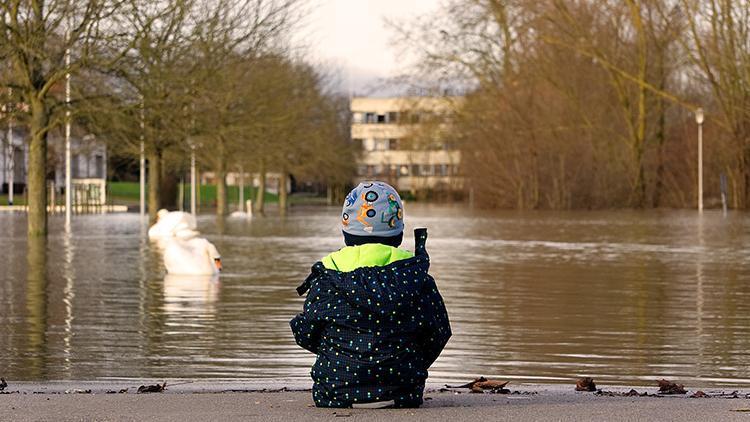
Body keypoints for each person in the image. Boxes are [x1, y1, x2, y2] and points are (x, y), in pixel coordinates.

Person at [290, 181, 451, 408]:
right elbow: (439, 332)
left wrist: (338, 350)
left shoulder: (327, 279)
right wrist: (411, 362)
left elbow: (308, 332)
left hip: (335, 393)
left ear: (346, 232)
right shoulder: (416, 279)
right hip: (403, 392)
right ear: (399, 234)